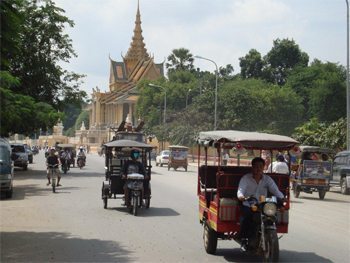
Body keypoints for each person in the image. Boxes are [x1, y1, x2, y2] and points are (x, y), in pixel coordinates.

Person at [237, 157, 284, 251]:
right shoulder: (246, 178)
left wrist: (282, 198)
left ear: (263, 167)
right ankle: (243, 239)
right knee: (246, 217)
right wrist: (241, 196)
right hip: (248, 203)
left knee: (273, 215)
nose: (258, 169)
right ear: (252, 167)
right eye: (256, 166)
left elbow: (275, 190)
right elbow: (241, 190)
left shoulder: (267, 179)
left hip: (263, 204)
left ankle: (270, 234)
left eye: (260, 166)